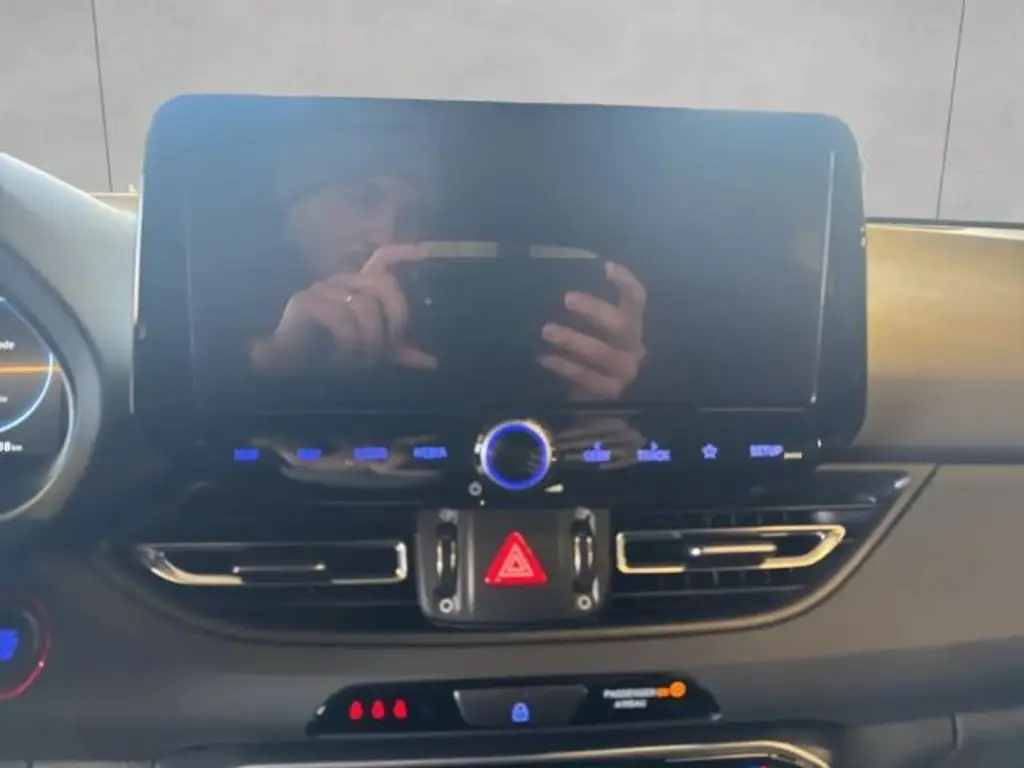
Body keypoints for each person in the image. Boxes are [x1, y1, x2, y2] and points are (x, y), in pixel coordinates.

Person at [245, 122, 648, 402]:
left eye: (412, 216)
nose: (387, 234)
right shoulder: (217, 326)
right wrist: (268, 366)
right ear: (291, 209)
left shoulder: (440, 333)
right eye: (362, 198)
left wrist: (589, 411)